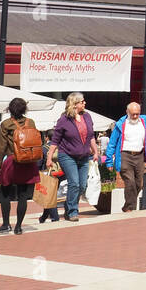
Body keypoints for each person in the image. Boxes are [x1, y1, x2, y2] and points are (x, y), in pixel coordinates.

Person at [0, 97, 41, 234]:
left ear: (9, 109)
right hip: (29, 162)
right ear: (24, 109)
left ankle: (5, 224)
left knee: (5, 193)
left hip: (12, 160)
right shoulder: (31, 122)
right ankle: (19, 226)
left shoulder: (6, 124)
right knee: (23, 195)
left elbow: (2, 147)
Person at [50, 93, 97, 221]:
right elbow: (55, 140)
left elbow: (91, 136)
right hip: (67, 155)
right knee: (74, 183)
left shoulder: (87, 116)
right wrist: (49, 158)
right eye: (82, 101)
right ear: (74, 104)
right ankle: (72, 211)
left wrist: (96, 151)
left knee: (82, 185)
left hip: (84, 156)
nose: (84, 103)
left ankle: (68, 205)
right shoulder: (64, 119)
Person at [106, 101, 146, 212]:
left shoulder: (144, 123)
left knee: (139, 184)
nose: (135, 116)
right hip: (125, 155)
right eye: (132, 114)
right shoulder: (121, 124)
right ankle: (130, 209)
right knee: (129, 182)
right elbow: (112, 143)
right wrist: (109, 161)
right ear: (127, 112)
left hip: (139, 155)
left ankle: (127, 206)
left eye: (137, 114)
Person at [37, 131, 62, 224]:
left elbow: (39, 163)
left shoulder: (44, 148)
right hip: (60, 173)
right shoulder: (61, 147)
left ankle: (55, 218)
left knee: (50, 196)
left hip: (48, 174)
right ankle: (43, 217)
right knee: (50, 196)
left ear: (46, 137)